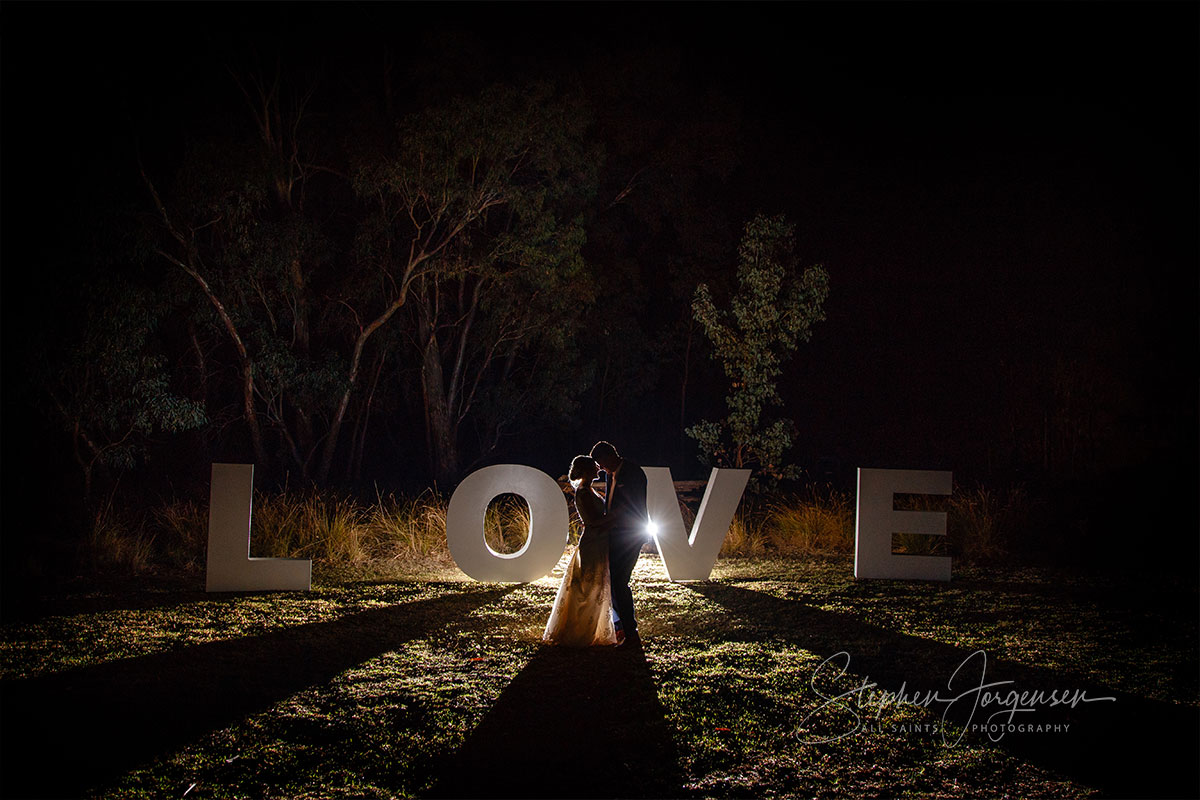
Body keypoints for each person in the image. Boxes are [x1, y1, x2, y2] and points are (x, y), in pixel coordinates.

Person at [542, 455, 619, 647]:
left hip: (600, 542)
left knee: (596, 586)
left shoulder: (589, 491)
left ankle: (591, 628)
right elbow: (593, 522)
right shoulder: (583, 493)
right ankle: (580, 631)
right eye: (594, 467)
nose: (598, 470)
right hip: (592, 543)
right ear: (586, 471)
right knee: (588, 587)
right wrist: (616, 517)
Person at [590, 440, 648, 647]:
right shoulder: (611, 475)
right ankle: (623, 627)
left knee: (619, 581)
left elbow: (628, 505)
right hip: (615, 535)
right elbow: (612, 502)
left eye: (602, 463)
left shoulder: (633, 472)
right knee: (613, 580)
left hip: (630, 535)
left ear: (609, 456)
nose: (602, 468)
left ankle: (631, 633)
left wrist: (600, 523)